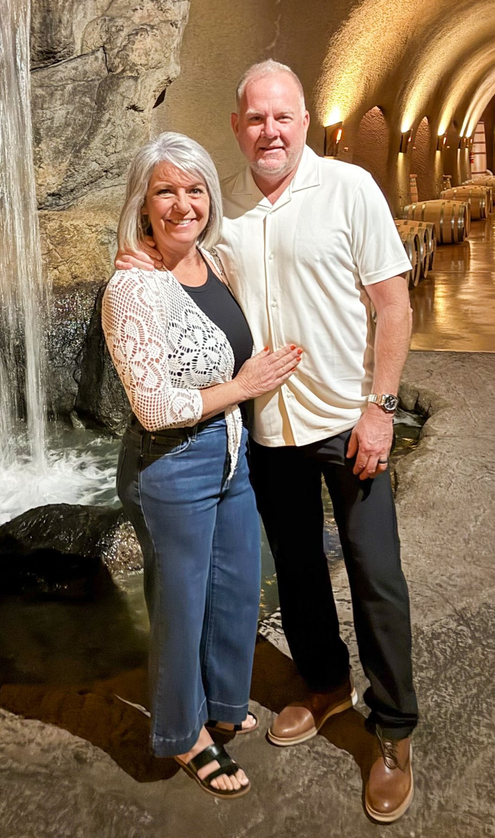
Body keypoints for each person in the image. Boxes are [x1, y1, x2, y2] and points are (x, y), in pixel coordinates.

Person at [115, 61, 419, 824]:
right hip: (270, 432)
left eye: (281, 116)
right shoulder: (225, 206)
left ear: (304, 119)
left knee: (376, 575)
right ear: (237, 126)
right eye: (255, 118)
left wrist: (380, 407)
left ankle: (391, 730)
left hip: (350, 421)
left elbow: (392, 305)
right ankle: (321, 687)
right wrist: (141, 255)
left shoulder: (348, 188)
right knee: (297, 570)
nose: (269, 131)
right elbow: (185, 262)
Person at [102, 131, 301, 800]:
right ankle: (181, 734)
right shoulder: (133, 289)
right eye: (165, 190)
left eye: (193, 189)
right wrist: (243, 388)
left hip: (229, 456)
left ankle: (219, 703)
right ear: (143, 203)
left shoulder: (216, 262)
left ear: (210, 198)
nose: (182, 203)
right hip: (170, 465)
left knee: (235, 588)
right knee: (181, 607)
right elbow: (155, 407)